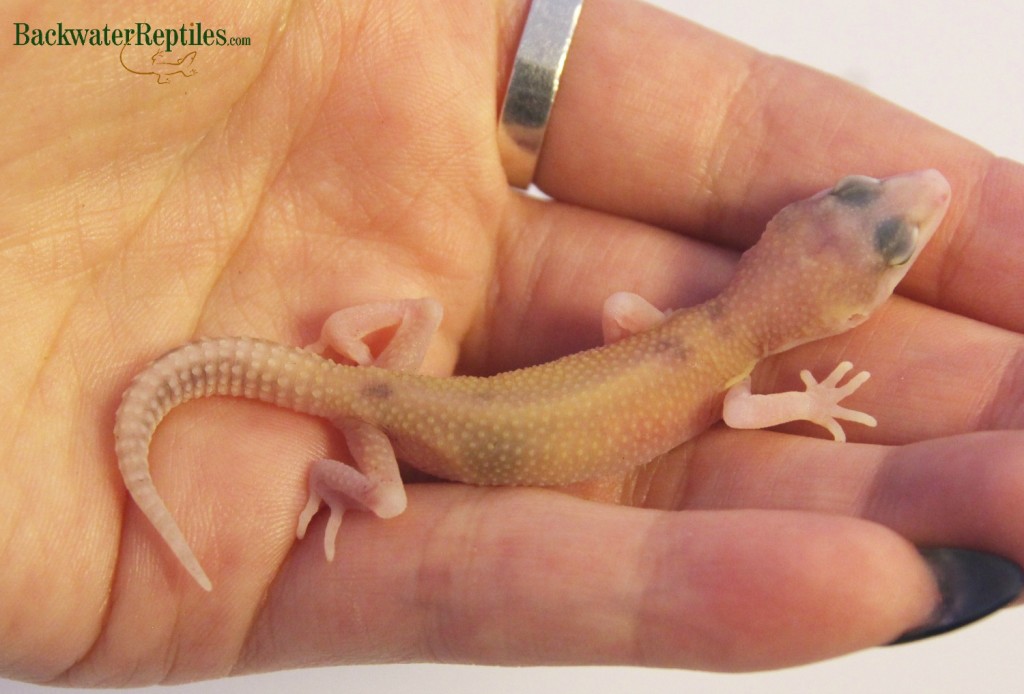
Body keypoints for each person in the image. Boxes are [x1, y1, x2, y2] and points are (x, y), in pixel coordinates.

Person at [1, 0, 1021, 685]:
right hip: (382, 433)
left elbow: (624, 316)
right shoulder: (733, 374)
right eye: (876, 222)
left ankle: (328, 406)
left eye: (878, 240)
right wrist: (810, 404)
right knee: (392, 500)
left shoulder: (697, 336)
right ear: (830, 306)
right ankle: (334, 479)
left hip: (383, 381)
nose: (911, 203)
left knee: (423, 336)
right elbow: (735, 399)